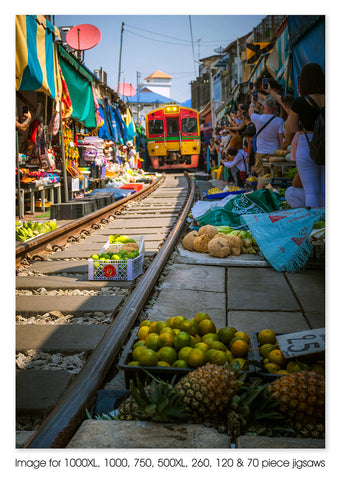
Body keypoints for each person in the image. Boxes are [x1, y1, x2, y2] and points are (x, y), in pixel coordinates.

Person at [284, 63, 325, 207]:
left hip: (307, 143)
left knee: (311, 191)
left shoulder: (300, 102)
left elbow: (292, 127)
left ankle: (316, 226)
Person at [249, 96, 284, 188]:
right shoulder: (279, 121)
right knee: (274, 178)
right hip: (275, 154)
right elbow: (281, 140)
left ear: (263, 108)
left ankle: (261, 200)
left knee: (261, 178)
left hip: (261, 153)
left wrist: (252, 102)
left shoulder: (257, 118)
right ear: (274, 108)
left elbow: (250, 112)